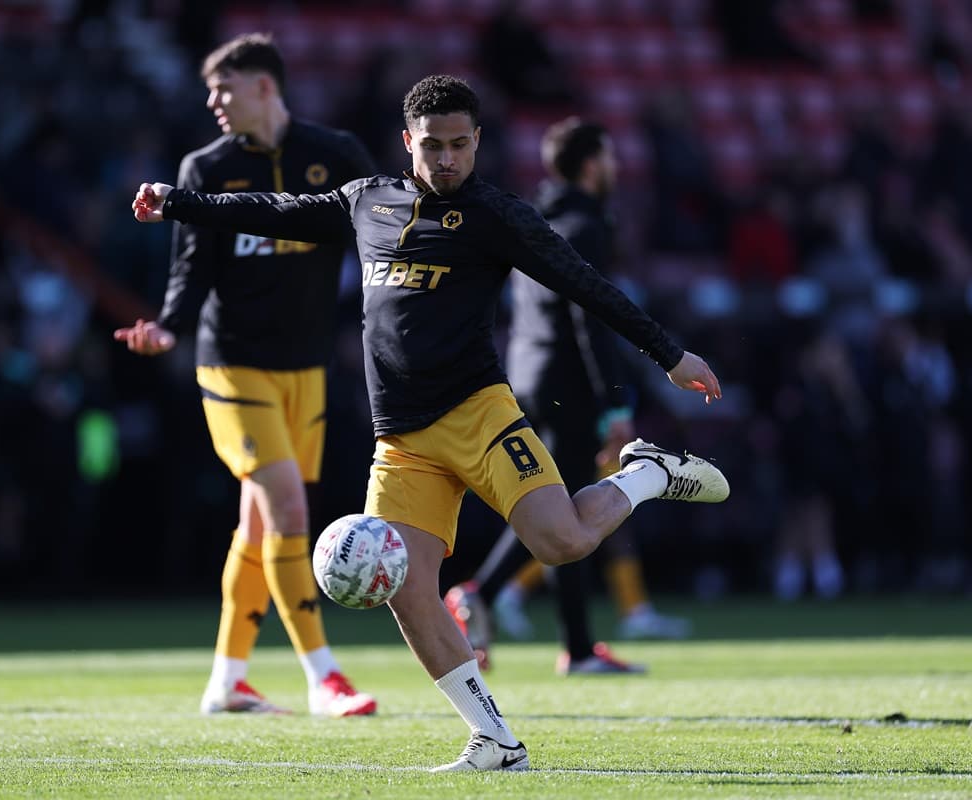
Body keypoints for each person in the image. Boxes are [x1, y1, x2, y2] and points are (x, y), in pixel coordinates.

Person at [130, 74, 729, 772]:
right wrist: (179, 202)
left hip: (478, 414)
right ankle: (495, 741)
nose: (446, 159)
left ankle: (647, 475)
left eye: (460, 144)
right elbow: (278, 209)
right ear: (407, 141)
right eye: (433, 145)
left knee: (562, 541)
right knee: (409, 593)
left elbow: (586, 285)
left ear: (476, 142)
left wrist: (670, 354)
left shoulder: (497, 215)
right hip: (402, 439)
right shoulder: (366, 199)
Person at [113, 33, 378, 718]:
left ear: (265, 86)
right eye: (210, 91)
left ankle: (226, 681)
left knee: (261, 526)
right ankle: (324, 676)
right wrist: (169, 325)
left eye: (224, 89)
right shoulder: (205, 167)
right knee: (289, 507)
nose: (213, 102)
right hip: (231, 364)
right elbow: (190, 262)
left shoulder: (336, 155)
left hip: (306, 368)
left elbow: (383, 236)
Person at [443, 119, 690, 678]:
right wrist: (617, 404)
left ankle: (575, 645)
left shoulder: (536, 218)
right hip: (568, 382)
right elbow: (592, 319)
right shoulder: (586, 223)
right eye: (608, 158)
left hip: (529, 372)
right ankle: (483, 593)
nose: (617, 169)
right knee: (565, 511)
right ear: (589, 165)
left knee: (559, 505)